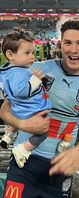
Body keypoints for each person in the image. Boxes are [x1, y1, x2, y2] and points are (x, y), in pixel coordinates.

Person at [0, 20, 79, 198]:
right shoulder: (36, 70)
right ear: (60, 45)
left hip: (61, 166)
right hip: (24, 162)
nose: (73, 49)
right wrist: (23, 124)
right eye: (68, 43)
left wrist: (78, 152)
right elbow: (4, 111)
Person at [0, 28, 52, 168]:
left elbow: (5, 91)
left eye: (33, 53)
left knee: (15, 121)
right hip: (28, 110)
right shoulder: (19, 73)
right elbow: (21, 91)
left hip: (16, 109)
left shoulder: (7, 70)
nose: (32, 57)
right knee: (43, 133)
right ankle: (23, 150)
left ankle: (8, 135)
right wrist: (35, 80)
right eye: (27, 53)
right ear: (10, 55)